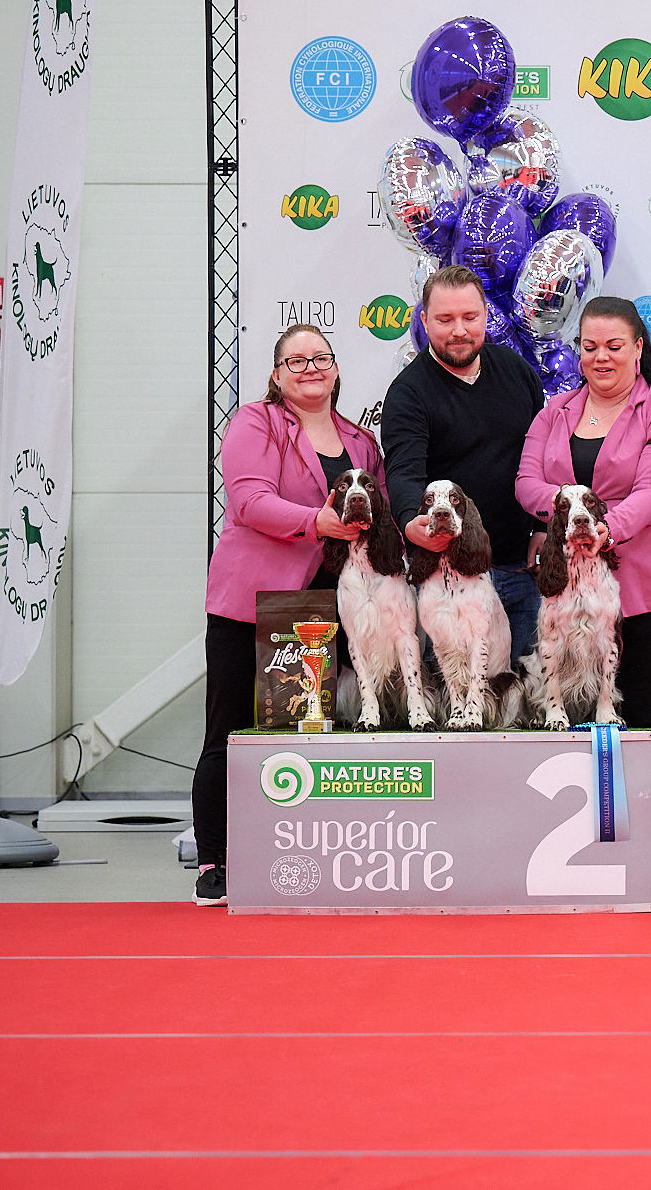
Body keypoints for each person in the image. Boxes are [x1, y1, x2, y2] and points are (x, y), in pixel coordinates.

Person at [515, 297, 651, 907]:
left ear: (637, 348)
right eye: (588, 346)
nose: (600, 357)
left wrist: (606, 527)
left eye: (613, 346)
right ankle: (633, 855)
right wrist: (572, 515)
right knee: (599, 722)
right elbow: (526, 483)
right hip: (573, 589)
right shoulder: (554, 411)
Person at [192, 325, 381, 907]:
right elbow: (250, 501)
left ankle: (299, 854)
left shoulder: (361, 441)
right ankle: (215, 861)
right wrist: (315, 522)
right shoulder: (256, 423)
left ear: (336, 369)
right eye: (295, 361)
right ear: (276, 375)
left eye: (320, 358)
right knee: (229, 731)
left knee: (315, 731)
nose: (309, 368)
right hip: (252, 604)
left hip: (328, 607)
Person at [382, 265, 545, 664]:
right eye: (445, 319)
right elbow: (403, 472)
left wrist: (543, 526)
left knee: (526, 692)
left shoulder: (517, 371)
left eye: (470, 317)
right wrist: (411, 522)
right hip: (448, 576)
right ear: (424, 320)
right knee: (456, 693)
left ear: (486, 315)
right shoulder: (407, 394)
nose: (459, 331)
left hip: (521, 572)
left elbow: (544, 459)